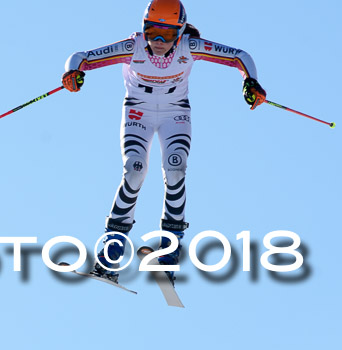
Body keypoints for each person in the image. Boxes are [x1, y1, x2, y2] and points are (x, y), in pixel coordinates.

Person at [62, 0, 266, 284]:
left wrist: (251, 81)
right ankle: (111, 250)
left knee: (175, 170)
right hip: (138, 111)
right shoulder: (132, 47)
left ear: (180, 32)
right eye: (151, 31)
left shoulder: (190, 47)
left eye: (168, 34)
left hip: (175, 114)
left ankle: (170, 249)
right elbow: (81, 56)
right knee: (134, 170)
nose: (158, 41)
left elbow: (239, 56)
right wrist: (74, 73)